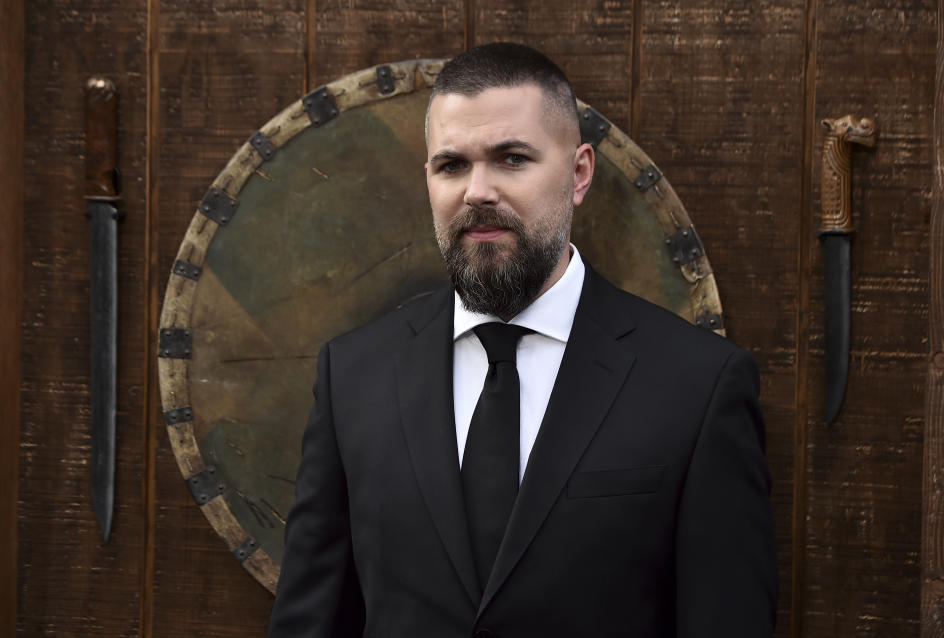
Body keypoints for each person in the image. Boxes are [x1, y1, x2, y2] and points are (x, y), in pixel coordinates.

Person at [268, 42, 777, 638]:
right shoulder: (352, 374)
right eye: (452, 165)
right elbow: (311, 620)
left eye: (512, 158)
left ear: (580, 172)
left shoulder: (698, 384)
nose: (477, 191)